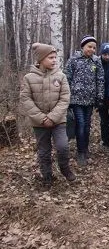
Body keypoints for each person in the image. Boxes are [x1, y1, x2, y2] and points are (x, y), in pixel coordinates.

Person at [20, 43, 76, 190]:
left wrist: (52, 117)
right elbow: (26, 99)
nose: (54, 60)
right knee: (44, 151)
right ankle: (47, 177)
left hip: (58, 121)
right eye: (50, 57)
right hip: (39, 123)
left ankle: (65, 169)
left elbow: (65, 98)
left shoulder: (61, 76)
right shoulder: (29, 78)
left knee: (63, 146)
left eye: (55, 57)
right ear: (41, 59)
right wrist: (42, 118)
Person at [65, 35, 104, 166]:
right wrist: (67, 98)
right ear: (83, 47)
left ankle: (85, 149)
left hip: (90, 100)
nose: (92, 49)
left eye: (94, 47)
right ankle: (80, 152)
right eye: (89, 47)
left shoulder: (96, 61)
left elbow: (100, 80)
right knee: (80, 125)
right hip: (76, 100)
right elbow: (67, 79)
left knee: (87, 126)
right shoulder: (73, 60)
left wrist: (100, 97)